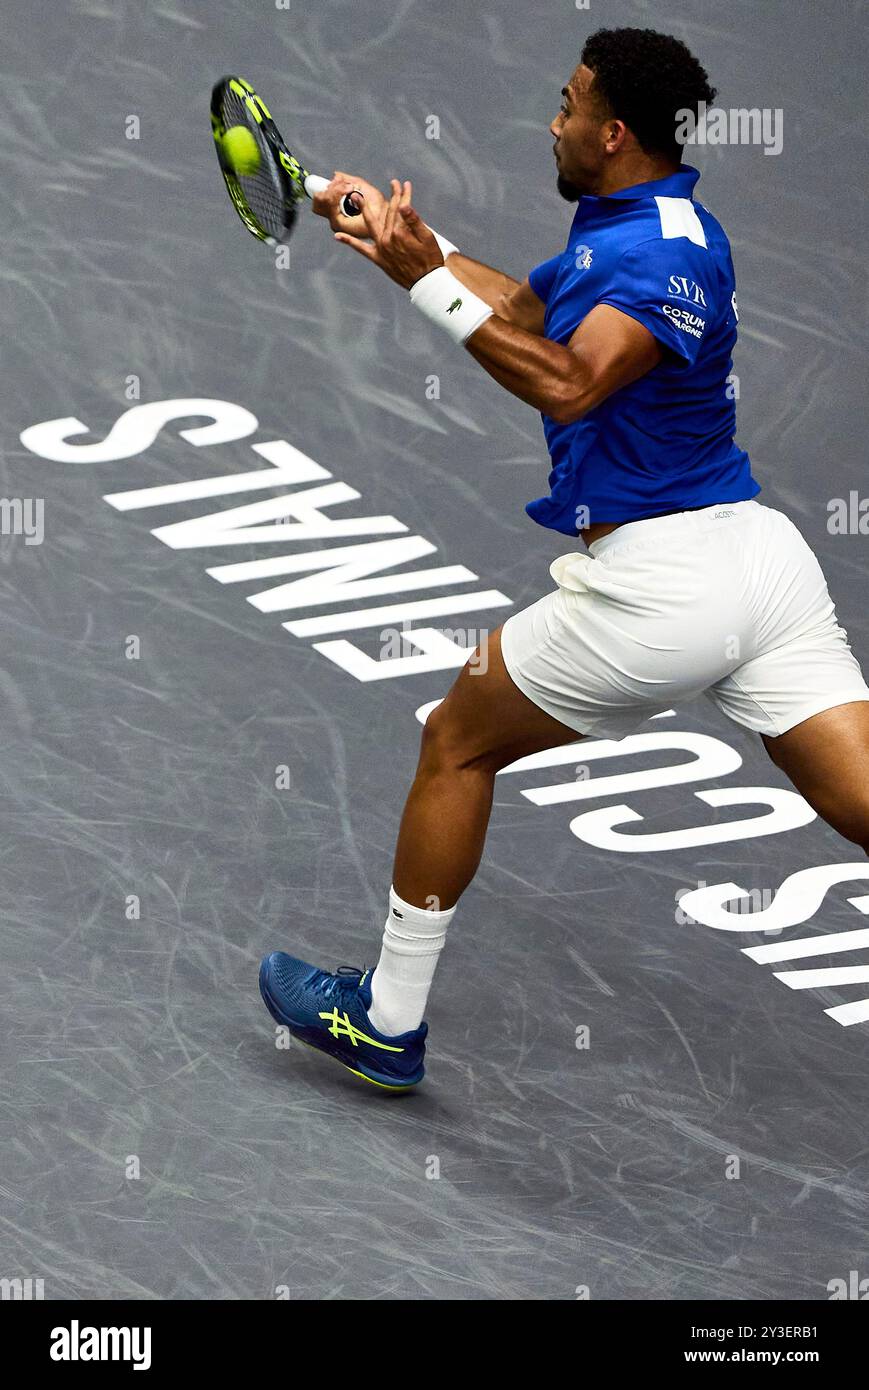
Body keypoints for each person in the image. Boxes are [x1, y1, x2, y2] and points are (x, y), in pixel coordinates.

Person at [259, 27, 869, 1090]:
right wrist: (408, 236)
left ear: (613, 131)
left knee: (455, 740)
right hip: (759, 570)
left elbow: (567, 382)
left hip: (663, 589)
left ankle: (385, 1023)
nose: (554, 120)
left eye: (568, 103)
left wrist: (420, 283)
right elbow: (530, 314)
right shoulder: (641, 222)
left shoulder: (657, 256)